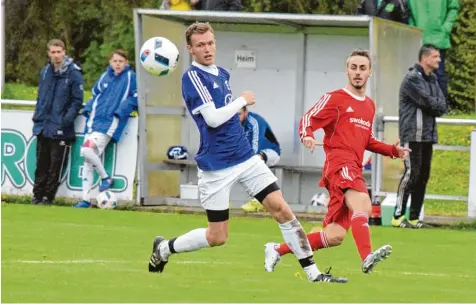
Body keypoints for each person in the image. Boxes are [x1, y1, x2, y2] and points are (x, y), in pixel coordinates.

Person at [148, 22, 347, 284]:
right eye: (200, 45)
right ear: (190, 49)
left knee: (282, 210)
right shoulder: (192, 78)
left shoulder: (222, 73)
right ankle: (163, 249)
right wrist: (242, 100)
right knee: (217, 237)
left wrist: (238, 104)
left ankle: (314, 275)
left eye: (210, 43)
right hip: (216, 166)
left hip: (245, 157)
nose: (207, 49)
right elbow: (213, 119)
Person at [263, 49, 411, 275]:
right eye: (353, 68)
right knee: (363, 204)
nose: (358, 73)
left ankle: (277, 249)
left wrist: (392, 150)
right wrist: (308, 135)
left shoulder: (369, 106)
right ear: (347, 71)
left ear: (369, 72)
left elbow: (366, 140)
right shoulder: (335, 98)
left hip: (353, 168)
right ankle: (366, 256)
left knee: (335, 236)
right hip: (340, 165)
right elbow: (308, 119)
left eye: (362, 68)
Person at [73, 49, 138, 208]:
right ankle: (86, 200)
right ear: (110, 62)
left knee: (85, 151)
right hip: (94, 122)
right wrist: (88, 109)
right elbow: (95, 95)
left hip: (108, 124)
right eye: (115, 61)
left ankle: (105, 177)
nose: (118, 64)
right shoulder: (104, 76)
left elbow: (135, 98)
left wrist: (120, 112)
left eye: (121, 61)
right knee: (88, 161)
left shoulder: (131, 77)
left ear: (126, 63)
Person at [392, 44, 448, 228]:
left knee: (423, 175)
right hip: (412, 135)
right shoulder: (411, 79)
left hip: (427, 135)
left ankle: (415, 218)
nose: (439, 60)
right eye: (435, 56)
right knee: (411, 174)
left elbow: (442, 106)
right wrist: (434, 104)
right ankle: (397, 216)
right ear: (424, 58)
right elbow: (428, 102)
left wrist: (435, 105)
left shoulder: (432, 79)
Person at [32, 39, 84, 205]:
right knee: (41, 164)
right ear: (48, 53)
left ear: (64, 52)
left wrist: (65, 121)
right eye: (53, 52)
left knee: (55, 165)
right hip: (43, 125)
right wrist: (38, 116)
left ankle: (48, 197)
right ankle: (37, 195)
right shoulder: (46, 71)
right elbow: (41, 96)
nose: (56, 55)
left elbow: (77, 101)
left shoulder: (73, 73)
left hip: (61, 127)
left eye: (59, 52)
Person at [407, 0, 459, 98]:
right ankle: (423, 107)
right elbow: (407, 11)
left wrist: (446, 28)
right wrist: (412, 29)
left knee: (439, 74)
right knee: (418, 75)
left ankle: (441, 108)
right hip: (418, 37)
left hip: (438, 38)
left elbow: (453, 7)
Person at [238, 106, 281, 212]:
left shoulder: (255, 121)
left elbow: (255, 148)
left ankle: (258, 200)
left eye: (239, 114)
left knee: (256, 159)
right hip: (249, 155)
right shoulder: (232, 123)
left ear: (245, 112)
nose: (236, 118)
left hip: (271, 152)